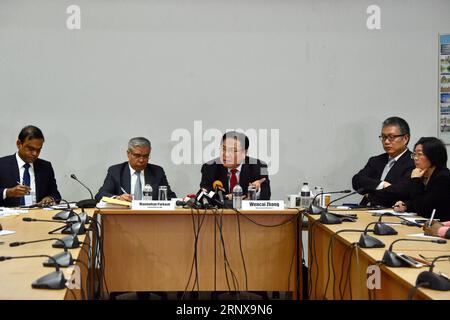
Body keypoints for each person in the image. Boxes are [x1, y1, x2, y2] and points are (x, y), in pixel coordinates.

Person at [352, 116, 415, 207]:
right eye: (383, 137)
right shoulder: (376, 160)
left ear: (405, 138)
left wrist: (369, 194)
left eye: (391, 137)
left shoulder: (413, 162)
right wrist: (382, 184)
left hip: (391, 212)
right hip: (365, 209)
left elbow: (400, 192)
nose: (386, 142)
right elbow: (357, 181)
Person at [95, 137, 176, 202]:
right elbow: (101, 194)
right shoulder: (116, 171)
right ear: (128, 154)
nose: (141, 160)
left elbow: (169, 196)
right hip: (123, 218)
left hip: (152, 218)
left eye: (145, 156)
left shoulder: (157, 171)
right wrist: (118, 198)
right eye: (137, 155)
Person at [0, 125, 61, 207]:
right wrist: (7, 192)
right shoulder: (2, 165)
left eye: (38, 150)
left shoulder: (46, 167)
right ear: (19, 144)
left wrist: (50, 198)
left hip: (38, 217)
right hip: (8, 217)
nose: (35, 154)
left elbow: (55, 195)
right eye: (30, 149)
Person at [200, 131, 270, 200]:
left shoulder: (260, 166)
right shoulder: (209, 168)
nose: (226, 154)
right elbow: (206, 194)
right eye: (224, 149)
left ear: (244, 153)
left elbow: (266, 196)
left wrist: (256, 191)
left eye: (233, 150)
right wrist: (226, 197)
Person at [393, 137, 450, 221]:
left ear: (433, 156)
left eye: (419, 154)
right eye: (414, 154)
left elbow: (424, 209)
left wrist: (415, 180)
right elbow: (421, 199)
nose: (415, 158)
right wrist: (406, 205)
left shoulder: (443, 178)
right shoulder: (424, 174)